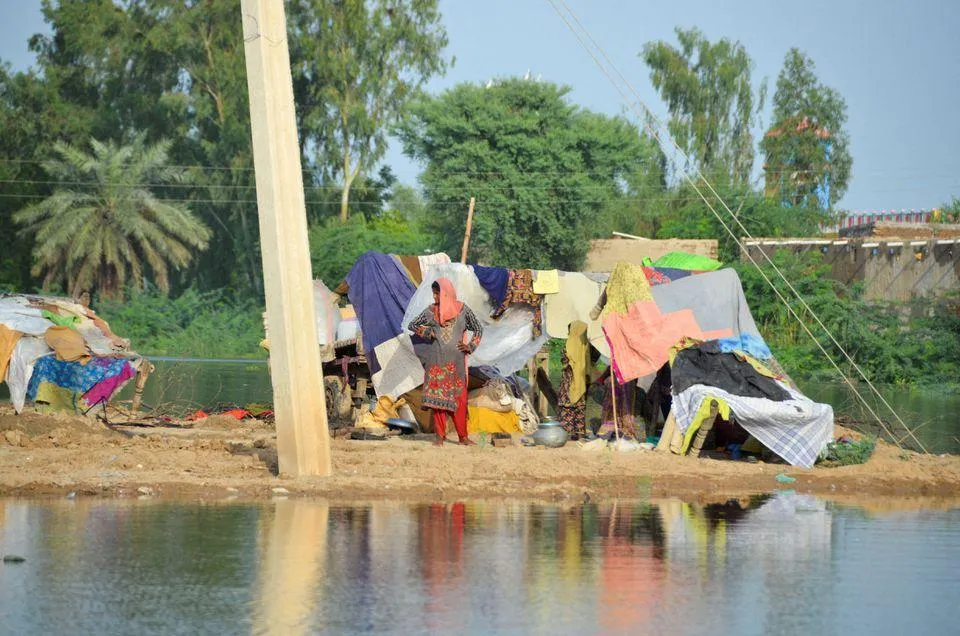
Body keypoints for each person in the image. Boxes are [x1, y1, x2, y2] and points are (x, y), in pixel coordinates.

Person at [408, 279, 483, 446]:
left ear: (446, 294)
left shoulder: (463, 310)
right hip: (437, 363)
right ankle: (440, 436)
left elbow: (478, 328)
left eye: (437, 293)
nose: (434, 297)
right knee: (438, 401)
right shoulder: (431, 311)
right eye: (433, 294)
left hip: (456, 365)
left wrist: (470, 346)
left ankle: (463, 437)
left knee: (460, 400)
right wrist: (428, 332)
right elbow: (413, 325)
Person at [557, 321, 589, 440]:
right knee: (579, 407)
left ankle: (568, 434)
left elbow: (564, 361)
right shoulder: (586, 346)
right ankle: (580, 434)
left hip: (569, 381)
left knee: (567, 407)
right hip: (581, 381)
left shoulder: (569, 345)